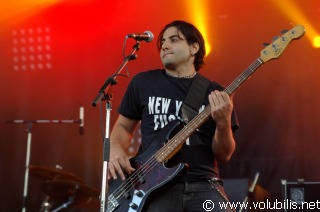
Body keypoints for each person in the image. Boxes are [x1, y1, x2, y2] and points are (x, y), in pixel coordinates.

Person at [108, 20, 239, 212]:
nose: (165, 46)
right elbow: (123, 128)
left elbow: (224, 154)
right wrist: (116, 149)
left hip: (203, 183)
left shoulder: (215, 92)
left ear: (194, 47)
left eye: (174, 40)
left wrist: (223, 122)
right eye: (162, 42)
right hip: (154, 186)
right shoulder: (143, 82)